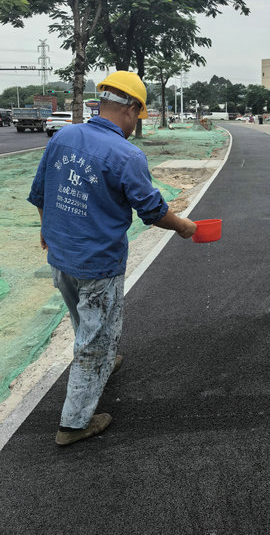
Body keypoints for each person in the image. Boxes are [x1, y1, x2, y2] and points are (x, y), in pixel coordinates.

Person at [28, 71, 197, 445]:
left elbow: (41, 190)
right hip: (97, 265)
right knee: (96, 339)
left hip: (60, 256)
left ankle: (106, 359)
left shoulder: (65, 137)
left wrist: (46, 229)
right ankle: (74, 424)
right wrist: (184, 226)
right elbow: (152, 211)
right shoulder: (127, 154)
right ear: (132, 108)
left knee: (83, 320)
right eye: (139, 114)